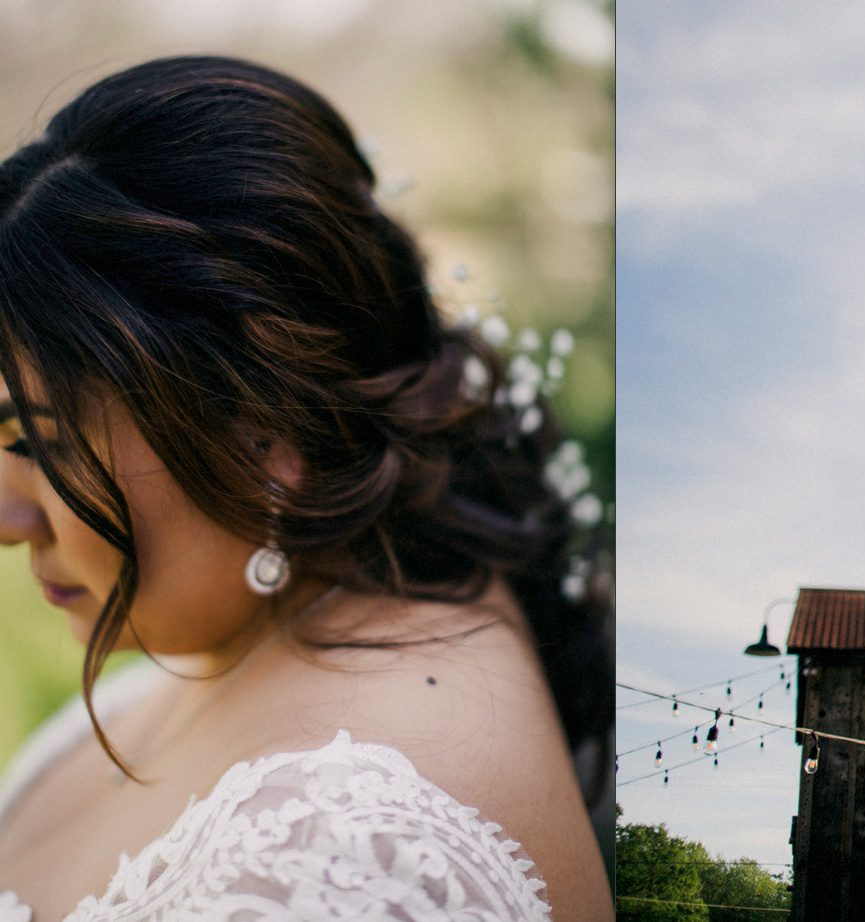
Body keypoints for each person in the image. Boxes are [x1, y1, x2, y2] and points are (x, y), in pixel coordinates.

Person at [0, 56, 613, 920]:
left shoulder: (347, 859)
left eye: (36, 439)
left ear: (262, 429)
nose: (6, 518)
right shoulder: (256, 642)